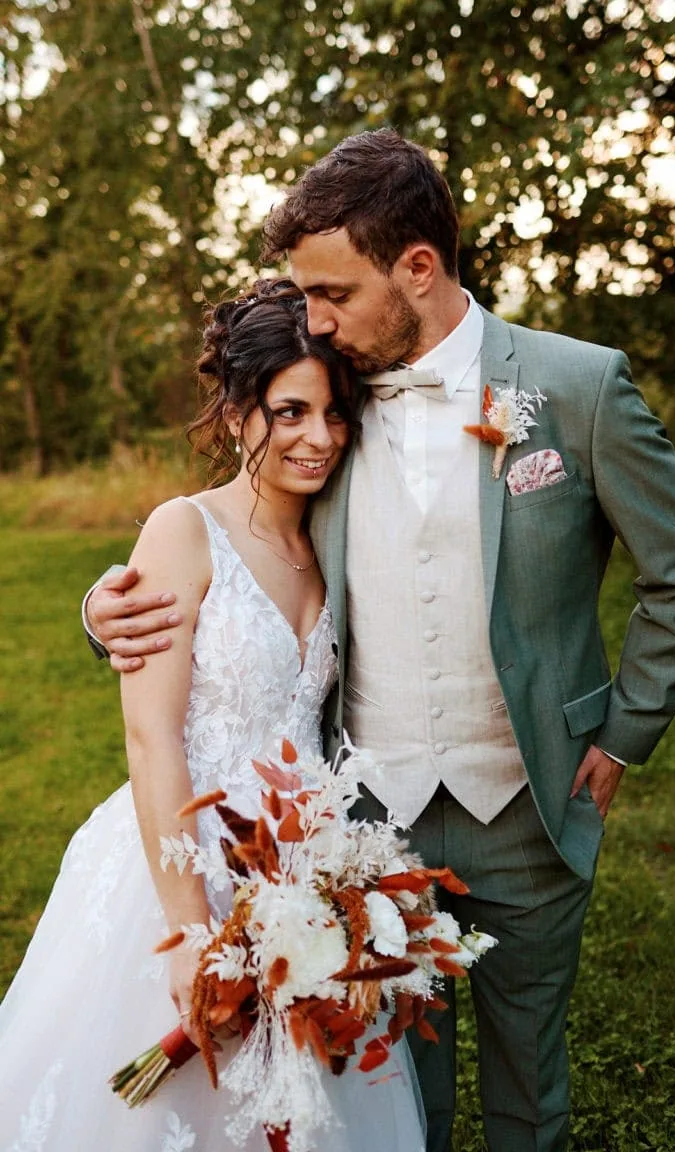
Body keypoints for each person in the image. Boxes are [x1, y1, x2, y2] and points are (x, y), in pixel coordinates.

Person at [84, 131, 675, 1152]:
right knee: (385, 1098)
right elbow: (241, 538)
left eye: (334, 290)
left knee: (528, 1089)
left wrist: (623, 734)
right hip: (363, 826)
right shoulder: (331, 401)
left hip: (530, 807)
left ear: (417, 268)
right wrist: (105, 609)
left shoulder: (577, 388)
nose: (316, 317)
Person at [0, 278, 426, 1152]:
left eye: (335, 414)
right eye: (291, 411)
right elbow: (151, 736)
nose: (320, 438)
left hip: (310, 867)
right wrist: (190, 932)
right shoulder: (182, 532)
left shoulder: (338, 536)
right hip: (184, 855)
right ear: (236, 413)